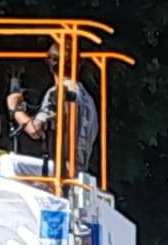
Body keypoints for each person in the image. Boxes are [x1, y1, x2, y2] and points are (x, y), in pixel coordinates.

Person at [7, 43, 100, 174]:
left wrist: (15, 109)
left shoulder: (58, 93)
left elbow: (34, 130)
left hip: (61, 169)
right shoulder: (87, 98)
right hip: (80, 169)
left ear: (50, 65)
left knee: (8, 163)